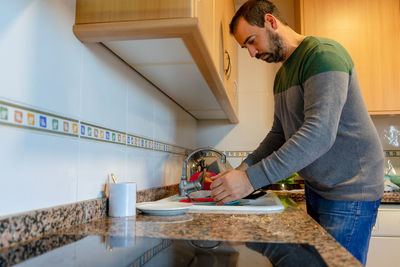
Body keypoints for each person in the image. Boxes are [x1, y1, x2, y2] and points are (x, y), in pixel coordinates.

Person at [209, 0, 384, 265]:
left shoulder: (323, 55)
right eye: (246, 47)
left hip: (350, 190)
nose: (252, 54)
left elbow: (319, 133)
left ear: (271, 21)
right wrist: (243, 169)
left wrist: (250, 180)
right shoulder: (282, 76)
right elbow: (278, 135)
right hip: (319, 188)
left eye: (252, 41)